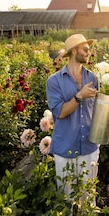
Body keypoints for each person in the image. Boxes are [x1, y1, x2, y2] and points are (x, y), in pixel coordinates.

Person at [46, 34, 99, 200]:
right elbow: (60, 113)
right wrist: (79, 96)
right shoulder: (54, 81)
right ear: (74, 50)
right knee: (66, 200)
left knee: (87, 197)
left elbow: (97, 110)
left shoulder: (93, 78)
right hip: (65, 146)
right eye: (85, 49)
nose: (89, 52)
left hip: (89, 146)